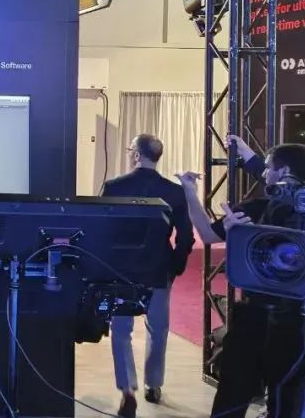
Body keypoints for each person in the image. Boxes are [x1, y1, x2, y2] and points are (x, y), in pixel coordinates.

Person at [177, 138, 305, 418]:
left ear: (283, 171)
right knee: (284, 399)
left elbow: (206, 233)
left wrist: (189, 191)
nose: (264, 173)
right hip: (298, 321)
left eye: (268, 167)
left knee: (234, 394)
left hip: (256, 318)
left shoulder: (256, 208)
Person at [101, 134, 195, 417]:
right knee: (158, 328)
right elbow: (186, 237)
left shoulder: (114, 186)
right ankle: (153, 385)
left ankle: (127, 390)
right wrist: (176, 266)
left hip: (121, 269)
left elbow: (103, 230)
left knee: (121, 331)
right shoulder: (174, 191)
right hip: (159, 267)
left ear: (136, 155)